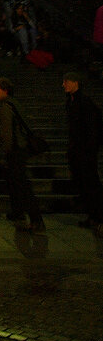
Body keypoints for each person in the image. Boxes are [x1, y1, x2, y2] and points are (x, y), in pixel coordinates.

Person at [0, 78, 45, 233]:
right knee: (17, 183)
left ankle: (36, 219)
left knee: (22, 184)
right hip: (21, 149)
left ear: (4, 90)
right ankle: (19, 213)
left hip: (15, 150)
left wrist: (7, 150)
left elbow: (7, 133)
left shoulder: (6, 107)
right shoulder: (14, 103)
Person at [62, 71, 103, 232]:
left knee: (91, 184)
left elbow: (93, 128)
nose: (63, 85)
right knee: (83, 185)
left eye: (66, 81)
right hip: (77, 151)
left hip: (85, 152)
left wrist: (89, 151)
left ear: (75, 83)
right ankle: (93, 216)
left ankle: (99, 217)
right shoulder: (71, 101)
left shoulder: (84, 102)